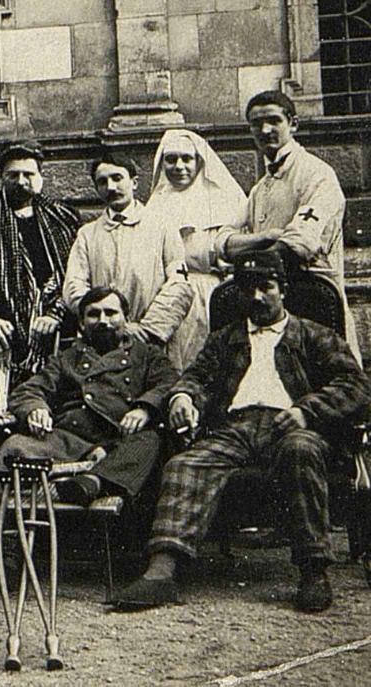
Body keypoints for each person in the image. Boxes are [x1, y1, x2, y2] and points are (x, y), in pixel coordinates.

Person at [111, 250, 370, 614]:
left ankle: (313, 570)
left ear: (283, 290)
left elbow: (356, 385)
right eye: (248, 289)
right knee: (185, 464)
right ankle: (162, 570)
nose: (258, 297)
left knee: (301, 450)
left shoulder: (313, 335)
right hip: (235, 428)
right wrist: (184, 397)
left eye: (266, 287)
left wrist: (305, 410)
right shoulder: (224, 339)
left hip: (292, 426)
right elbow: (197, 377)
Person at [0, 287, 179, 506]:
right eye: (93, 314)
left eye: (111, 313)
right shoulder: (66, 358)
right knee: (15, 445)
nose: (103, 320)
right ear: (82, 323)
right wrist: (35, 408)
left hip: (119, 440)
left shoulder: (147, 355)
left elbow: (169, 382)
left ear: (127, 318)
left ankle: (92, 483)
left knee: (152, 440)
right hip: (70, 440)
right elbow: (29, 390)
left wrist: (144, 408)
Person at [215, 90, 360, 360]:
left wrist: (249, 255)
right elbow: (222, 242)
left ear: (292, 123)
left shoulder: (317, 174)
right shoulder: (260, 189)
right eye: (256, 123)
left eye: (273, 120)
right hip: (267, 304)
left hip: (311, 300)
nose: (265, 129)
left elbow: (298, 244)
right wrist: (265, 237)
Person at [0, 141, 81, 378]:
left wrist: (55, 314)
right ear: (1, 177)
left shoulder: (64, 217)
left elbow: (76, 271)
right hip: (5, 327)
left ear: (40, 176)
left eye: (29, 174)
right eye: (13, 175)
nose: (21, 181)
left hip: (61, 322)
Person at [62, 153, 193, 367]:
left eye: (117, 178)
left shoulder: (162, 227)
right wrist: (109, 323)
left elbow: (179, 284)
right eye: (102, 182)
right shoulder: (87, 234)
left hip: (151, 340)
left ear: (133, 182)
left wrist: (148, 329)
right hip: (104, 340)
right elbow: (74, 287)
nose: (111, 187)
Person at [146, 129, 248, 370]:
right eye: (171, 159)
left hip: (210, 292)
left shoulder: (223, 199)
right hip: (166, 295)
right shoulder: (156, 202)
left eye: (186, 159)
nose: (179, 166)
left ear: (199, 161)